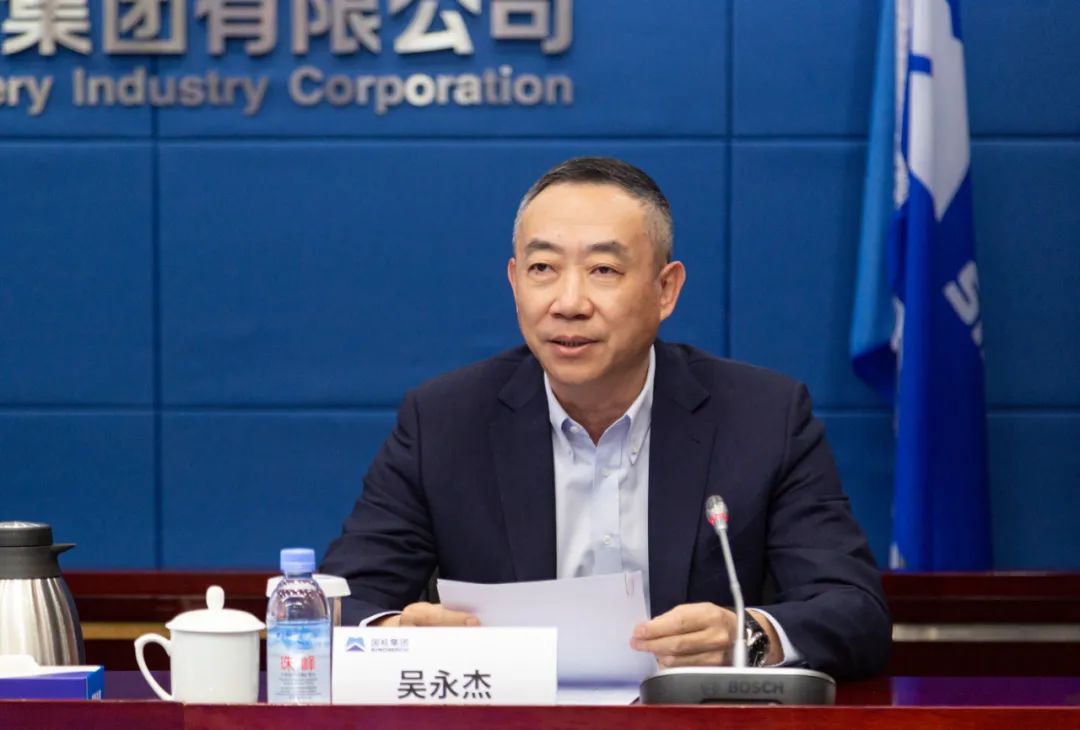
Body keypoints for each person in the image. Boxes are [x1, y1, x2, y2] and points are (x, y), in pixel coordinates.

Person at [322, 156, 891, 680]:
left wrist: (748, 636)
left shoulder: (763, 417)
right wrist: (396, 635)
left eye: (603, 270)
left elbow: (854, 610)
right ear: (515, 283)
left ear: (665, 290)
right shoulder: (444, 422)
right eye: (543, 268)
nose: (569, 302)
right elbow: (343, 600)